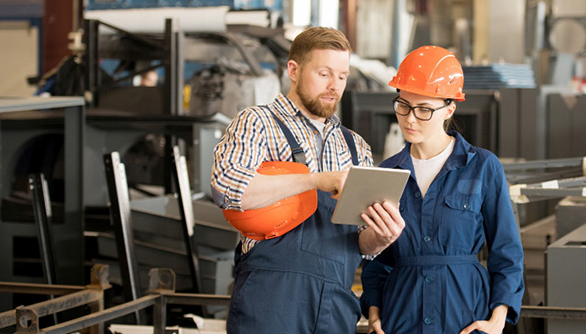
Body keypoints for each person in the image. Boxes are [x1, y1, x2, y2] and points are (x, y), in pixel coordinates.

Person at [211, 27, 405, 333]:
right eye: (324, 73)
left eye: (342, 76)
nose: (334, 86)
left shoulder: (355, 146)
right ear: (294, 70)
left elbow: (361, 242)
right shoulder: (257, 123)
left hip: (335, 304)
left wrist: (382, 236)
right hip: (272, 300)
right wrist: (316, 180)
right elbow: (229, 189)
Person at [360, 46, 525, 334]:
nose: (410, 119)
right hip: (402, 316)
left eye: (424, 109)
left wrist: (497, 320)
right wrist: (374, 313)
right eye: (403, 105)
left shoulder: (482, 167)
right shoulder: (387, 173)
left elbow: (506, 251)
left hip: (465, 314)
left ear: (449, 109)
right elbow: (379, 259)